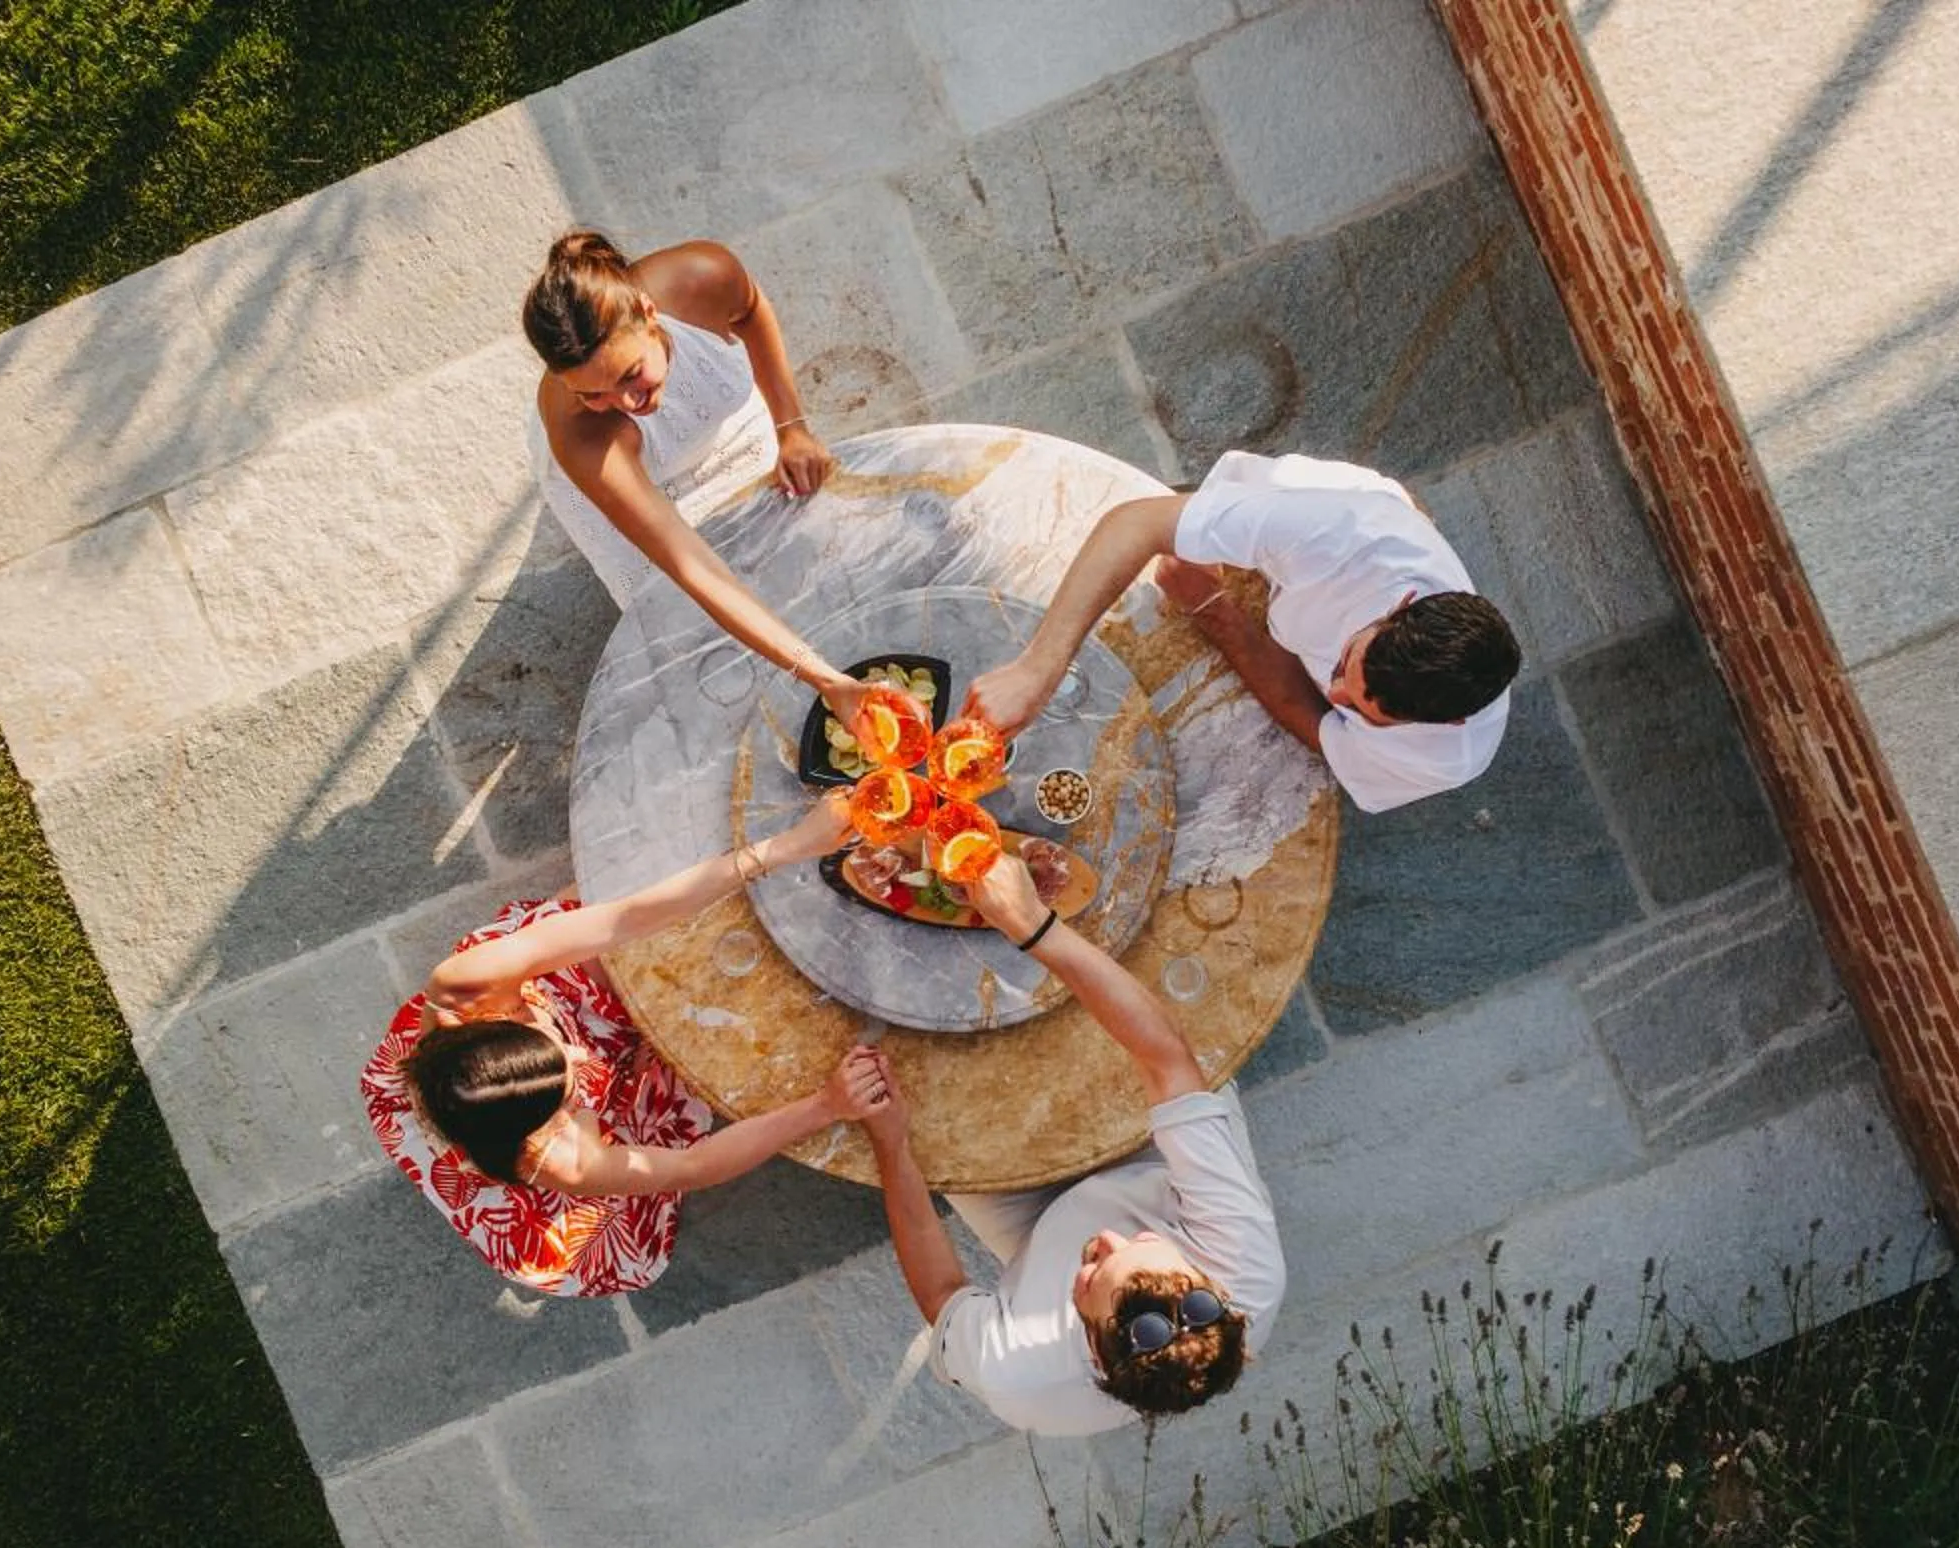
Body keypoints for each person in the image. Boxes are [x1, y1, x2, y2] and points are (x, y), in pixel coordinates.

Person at [359, 794, 867, 1297]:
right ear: (543, 1131)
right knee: (699, 1023)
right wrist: (826, 1106)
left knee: (606, 909)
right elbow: (698, 1166)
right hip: (543, 1156)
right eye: (568, 1098)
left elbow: (623, 919)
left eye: (558, 1051)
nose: (582, 1059)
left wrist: (785, 848)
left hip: (494, 1081)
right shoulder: (560, 1161)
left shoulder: (463, 988)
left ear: (489, 1024)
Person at [848, 857, 1286, 1434]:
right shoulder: (1246, 1268)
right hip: (1159, 1161)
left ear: (1095, 1356)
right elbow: (1166, 1060)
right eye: (1149, 1242)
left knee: (930, 1099)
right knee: (1142, 975)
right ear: (1219, 1294)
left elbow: (943, 1292)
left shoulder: (1017, 1376)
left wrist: (894, 1147)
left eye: (1096, 1269)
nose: (1110, 1237)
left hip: (1031, 1222)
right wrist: (1034, 925)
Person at [966, 452, 1522, 815]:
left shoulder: (1451, 756)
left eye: (1364, 710)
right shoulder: (1344, 530)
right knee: (1188, 525)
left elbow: (1325, 732)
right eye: (1345, 669)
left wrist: (1219, 616)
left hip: (1285, 587)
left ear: (1451, 722)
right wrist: (1037, 669)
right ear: (1400, 605)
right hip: (1319, 522)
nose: (1335, 697)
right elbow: (1136, 523)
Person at [522, 230, 885, 726]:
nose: (627, 404)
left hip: (713, 423)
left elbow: (751, 309)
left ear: (650, 316)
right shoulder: (578, 429)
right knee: (692, 623)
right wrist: (828, 682)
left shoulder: (701, 275)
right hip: (617, 471)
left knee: (795, 551)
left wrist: (792, 427)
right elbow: (692, 567)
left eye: (630, 375)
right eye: (592, 393)